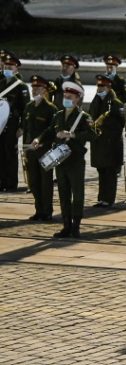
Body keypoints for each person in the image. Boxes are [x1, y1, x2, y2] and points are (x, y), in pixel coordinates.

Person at [32, 82, 95, 238]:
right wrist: (38, 139)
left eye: (70, 97)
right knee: (63, 193)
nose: (66, 99)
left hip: (75, 160)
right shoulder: (59, 115)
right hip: (60, 160)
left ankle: (76, 226)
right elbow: (49, 130)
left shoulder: (83, 117)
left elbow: (93, 135)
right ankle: (66, 225)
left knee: (77, 194)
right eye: (65, 96)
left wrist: (72, 135)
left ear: (77, 99)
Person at [23, 75, 57, 220]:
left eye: (38, 88)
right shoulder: (29, 107)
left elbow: (53, 130)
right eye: (33, 87)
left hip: (45, 150)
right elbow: (26, 129)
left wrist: (43, 141)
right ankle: (38, 210)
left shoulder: (51, 109)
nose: (34, 90)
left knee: (46, 182)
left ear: (45, 90)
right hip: (31, 150)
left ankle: (47, 211)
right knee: (33, 182)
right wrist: (25, 148)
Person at [89, 74, 125, 208]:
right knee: (101, 171)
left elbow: (122, 122)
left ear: (109, 87)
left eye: (102, 86)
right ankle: (101, 198)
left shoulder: (116, 103)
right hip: (98, 143)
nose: (99, 88)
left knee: (110, 173)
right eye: (98, 85)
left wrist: (106, 128)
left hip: (111, 144)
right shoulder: (96, 101)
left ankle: (108, 199)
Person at [0, 51, 29, 192]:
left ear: (16, 68)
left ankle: (11, 183)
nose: (7, 69)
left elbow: (25, 110)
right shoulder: (1, 82)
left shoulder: (21, 86)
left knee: (10, 153)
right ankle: (1, 182)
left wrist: (22, 127)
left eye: (10, 67)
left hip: (12, 124)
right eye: (6, 66)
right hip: (0, 122)